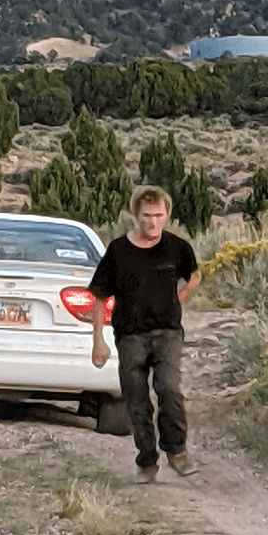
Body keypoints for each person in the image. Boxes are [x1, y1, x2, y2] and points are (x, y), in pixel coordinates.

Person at [88, 185, 201, 484]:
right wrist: (98, 340)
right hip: (130, 336)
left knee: (169, 388)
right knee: (136, 400)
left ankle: (177, 452)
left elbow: (194, 275)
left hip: (168, 334)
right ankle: (147, 460)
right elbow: (98, 298)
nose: (152, 222)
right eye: (146, 216)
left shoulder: (177, 248)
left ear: (167, 216)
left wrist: (181, 297)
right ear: (136, 216)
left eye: (158, 216)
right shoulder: (118, 251)